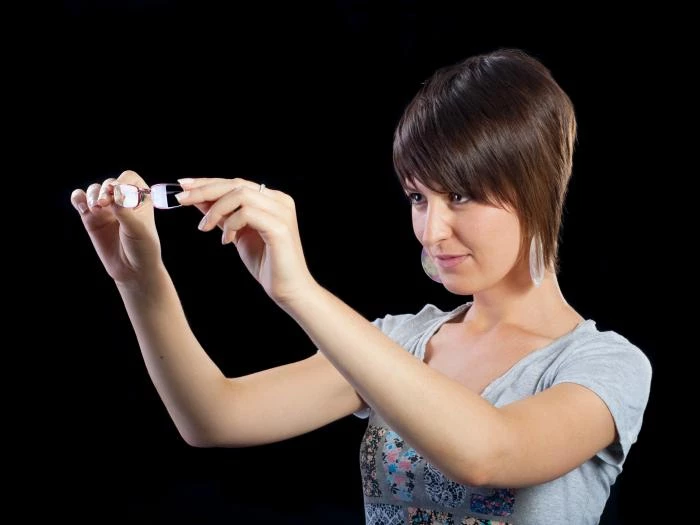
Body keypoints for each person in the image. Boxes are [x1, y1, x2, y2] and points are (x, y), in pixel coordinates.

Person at [70, 48, 652, 524]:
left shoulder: (604, 366)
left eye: (462, 196)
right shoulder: (399, 342)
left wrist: (300, 291)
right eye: (418, 198)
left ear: (541, 189)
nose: (432, 229)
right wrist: (139, 275)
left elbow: (487, 452)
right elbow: (213, 416)